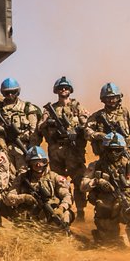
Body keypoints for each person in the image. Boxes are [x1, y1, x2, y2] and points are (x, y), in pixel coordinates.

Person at [83, 132, 130, 249]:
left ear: (122, 150)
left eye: (117, 150)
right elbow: (83, 186)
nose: (114, 153)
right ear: (105, 149)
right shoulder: (96, 165)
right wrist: (96, 181)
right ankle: (109, 239)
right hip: (105, 204)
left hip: (125, 201)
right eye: (110, 150)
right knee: (108, 242)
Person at [40, 76, 89, 220]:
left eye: (66, 88)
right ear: (56, 91)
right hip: (56, 151)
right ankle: (61, 210)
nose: (63, 90)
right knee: (58, 182)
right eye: (61, 88)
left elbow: (87, 125)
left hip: (74, 151)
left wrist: (77, 131)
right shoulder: (50, 109)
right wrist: (49, 122)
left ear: (70, 90)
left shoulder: (77, 107)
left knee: (79, 180)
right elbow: (40, 126)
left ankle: (80, 211)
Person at [4, 146, 73, 229]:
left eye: (42, 162)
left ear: (46, 162)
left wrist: (61, 208)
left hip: (50, 212)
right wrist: (24, 197)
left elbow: (67, 195)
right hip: (29, 219)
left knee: (66, 215)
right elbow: (8, 199)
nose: (39, 165)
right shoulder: (22, 178)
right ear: (29, 164)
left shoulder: (54, 177)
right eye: (34, 162)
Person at [0, 77, 42, 172]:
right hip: (3, 148)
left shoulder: (27, 107)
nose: (10, 95)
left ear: (18, 91)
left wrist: (31, 148)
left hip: (22, 147)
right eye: (6, 92)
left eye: (13, 92)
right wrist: (2, 130)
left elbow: (34, 131)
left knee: (24, 173)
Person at [86, 83, 130, 164]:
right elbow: (87, 131)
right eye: (108, 98)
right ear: (103, 99)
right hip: (105, 157)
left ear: (119, 97)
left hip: (127, 156)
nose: (111, 101)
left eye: (114, 98)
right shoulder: (97, 116)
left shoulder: (128, 114)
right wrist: (99, 135)